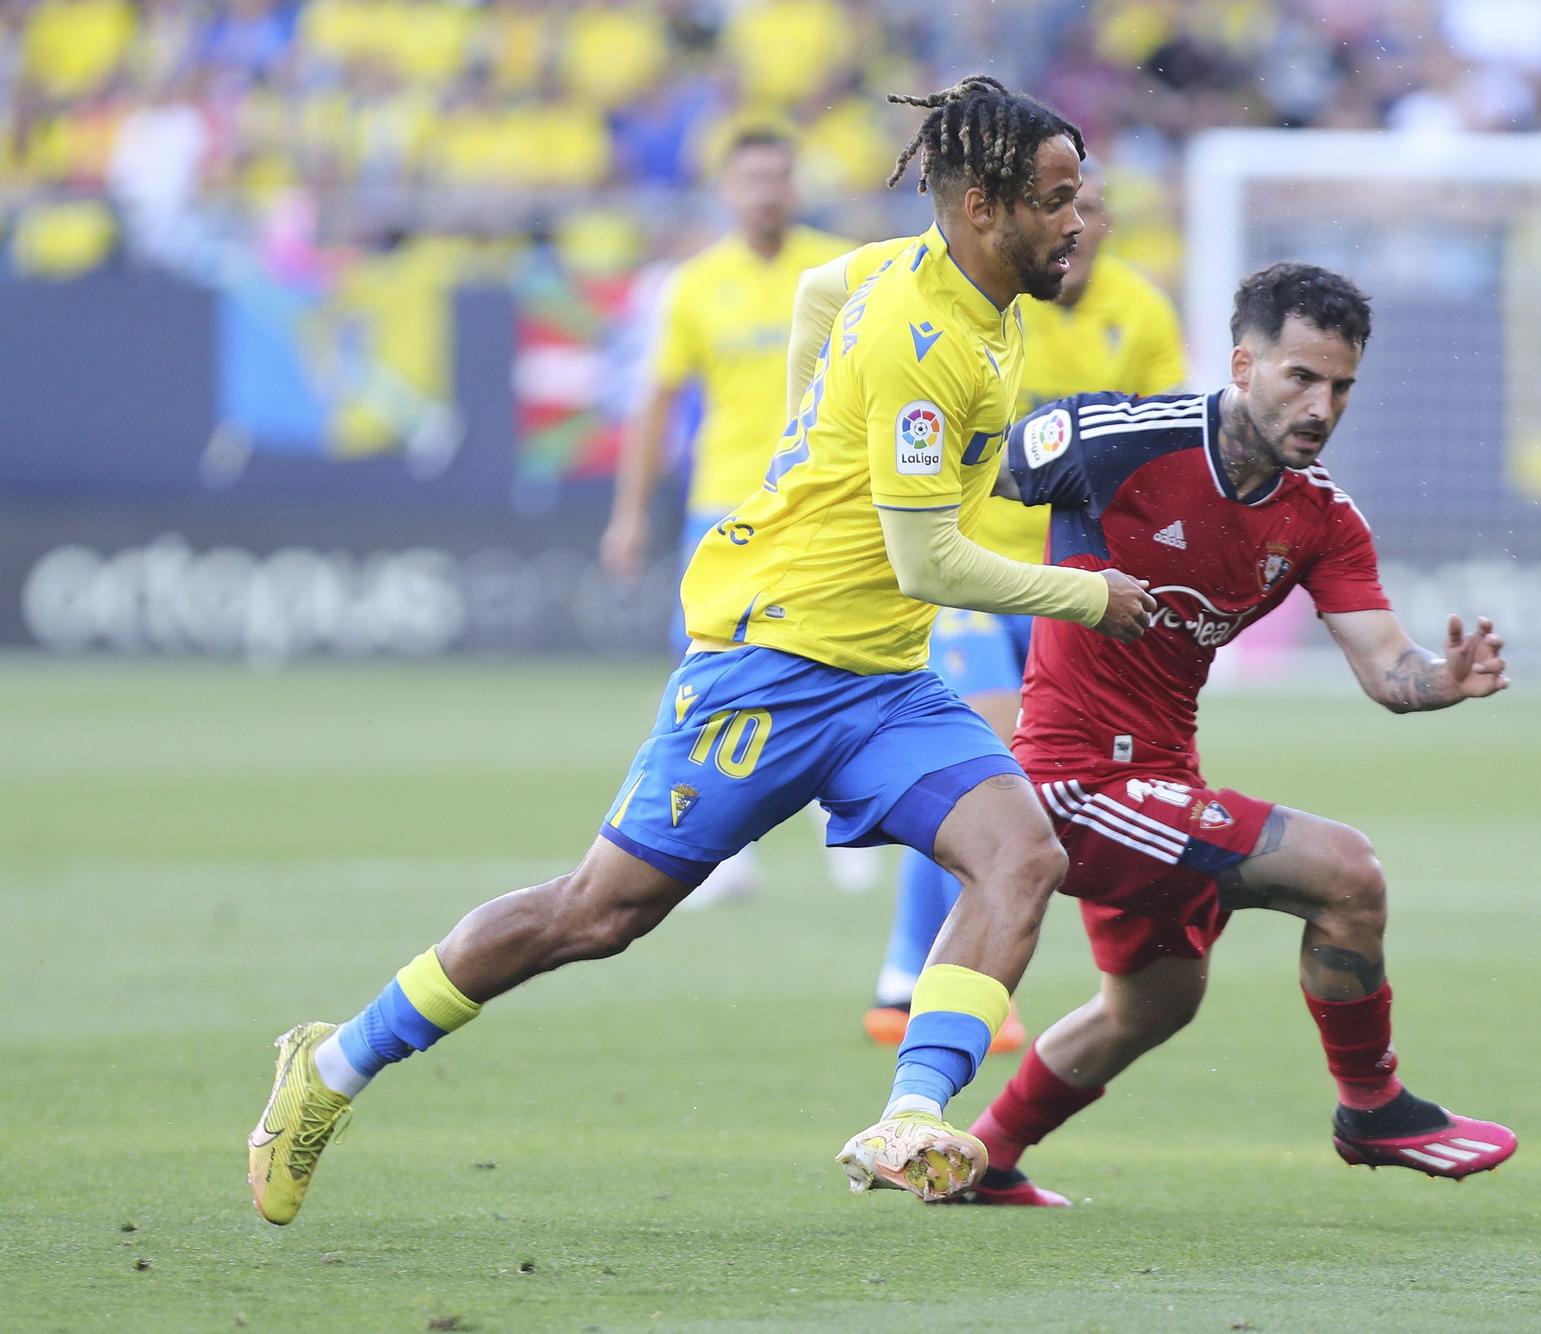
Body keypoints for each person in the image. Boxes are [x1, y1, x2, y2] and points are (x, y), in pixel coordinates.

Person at [245, 76, 1156, 1226]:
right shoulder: (923, 335)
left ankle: (913, 1112)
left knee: (1020, 854)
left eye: (1079, 196)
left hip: (881, 681)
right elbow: (929, 562)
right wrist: (1086, 594)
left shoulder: (948, 283)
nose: (1078, 219)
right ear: (982, 206)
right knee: (595, 915)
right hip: (769, 670)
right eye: (1057, 199)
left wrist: (797, 439)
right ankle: (330, 1065)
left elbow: (819, 289)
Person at [957, 262, 1518, 1205]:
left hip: (1162, 776)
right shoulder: (1113, 442)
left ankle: (980, 1159)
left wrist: (1442, 680)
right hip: (1069, 783)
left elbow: (1387, 666)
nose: (1322, 406)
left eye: (1341, 386)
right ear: (1241, 362)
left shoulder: (1321, 519)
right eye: (1301, 377)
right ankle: (1372, 1107)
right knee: (1348, 874)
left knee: (1157, 1002)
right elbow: (949, 478)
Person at [859, 168, 1188, 1048]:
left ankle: (904, 977)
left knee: (986, 778)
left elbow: (1157, 451)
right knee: (986, 765)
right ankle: (953, 984)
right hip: (968, 563)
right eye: (1058, 211)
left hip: (1069, 579)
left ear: (1105, 225)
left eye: (1086, 213)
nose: (1072, 229)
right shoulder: (1001, 298)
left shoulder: (1142, 313)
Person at [598, 126, 870, 904]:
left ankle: (841, 821)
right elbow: (656, 404)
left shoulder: (837, 269)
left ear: (797, 186)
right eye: (751, 179)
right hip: (726, 507)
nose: (766, 193)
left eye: (778, 178)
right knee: (712, 674)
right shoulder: (692, 284)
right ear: (726, 190)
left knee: (831, 656)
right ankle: (720, 848)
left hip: (821, 501)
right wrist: (629, 513)